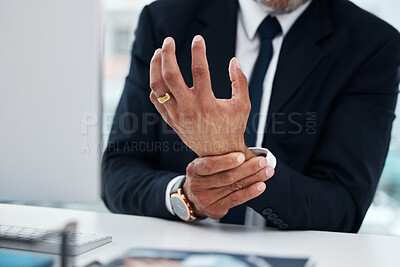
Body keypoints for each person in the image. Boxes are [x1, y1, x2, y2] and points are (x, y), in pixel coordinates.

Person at [102, 0, 400, 232]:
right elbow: (117, 173)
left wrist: (232, 156)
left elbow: (343, 209)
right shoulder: (165, 19)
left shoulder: (372, 45)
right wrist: (187, 196)